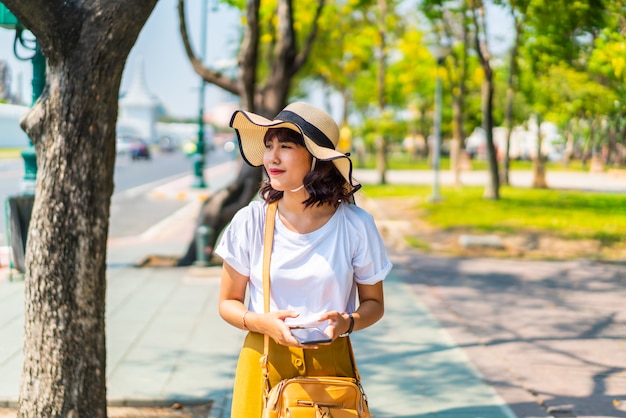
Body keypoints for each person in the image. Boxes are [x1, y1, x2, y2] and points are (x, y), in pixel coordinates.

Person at [214, 101, 392, 417]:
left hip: (331, 366)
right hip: (263, 360)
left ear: (317, 159)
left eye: (286, 146)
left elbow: (374, 304)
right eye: (269, 146)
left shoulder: (356, 225)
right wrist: (261, 323)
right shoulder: (251, 221)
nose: (272, 157)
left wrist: (346, 323)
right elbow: (228, 302)